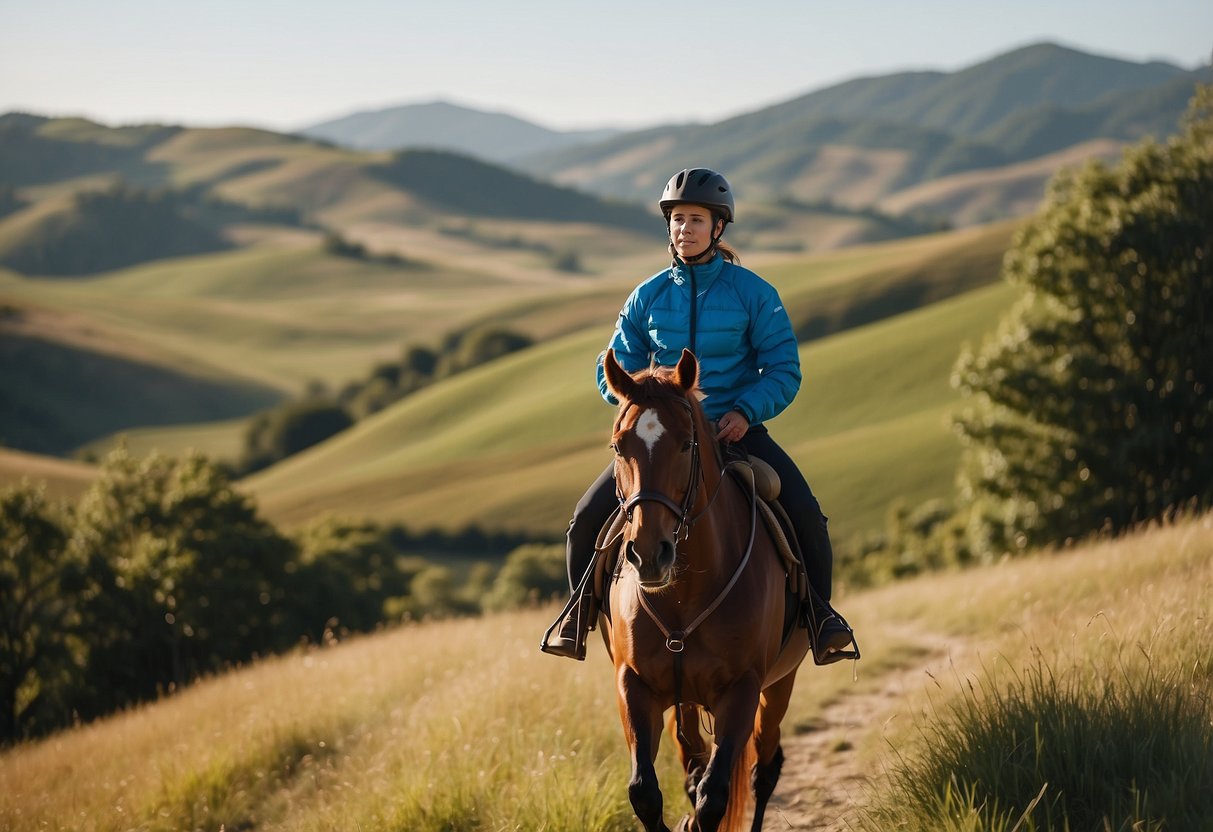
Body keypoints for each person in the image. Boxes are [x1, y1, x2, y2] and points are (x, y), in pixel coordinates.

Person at [541, 167, 858, 665]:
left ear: (719, 228)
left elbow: (783, 370)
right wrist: (644, 404)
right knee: (584, 519)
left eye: (695, 220)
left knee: (808, 517)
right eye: (677, 219)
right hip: (663, 438)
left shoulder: (754, 294)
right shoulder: (646, 296)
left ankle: (822, 620)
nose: (684, 229)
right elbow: (613, 373)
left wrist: (745, 411)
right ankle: (576, 617)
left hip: (734, 432)